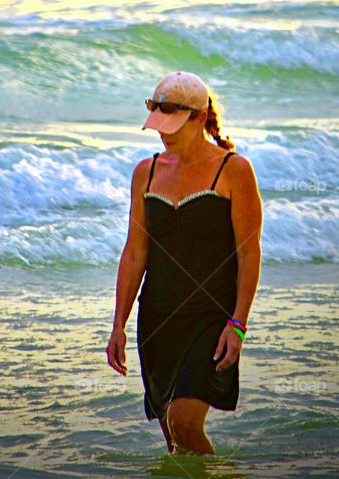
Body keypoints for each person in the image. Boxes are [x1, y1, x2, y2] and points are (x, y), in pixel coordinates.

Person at [106, 70, 263, 455]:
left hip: (211, 317)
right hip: (157, 318)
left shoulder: (234, 170)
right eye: (159, 124)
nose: (163, 133)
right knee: (174, 441)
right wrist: (118, 326)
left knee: (184, 423)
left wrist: (238, 324)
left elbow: (249, 251)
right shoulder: (147, 172)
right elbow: (135, 252)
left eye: (172, 124)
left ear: (198, 117)